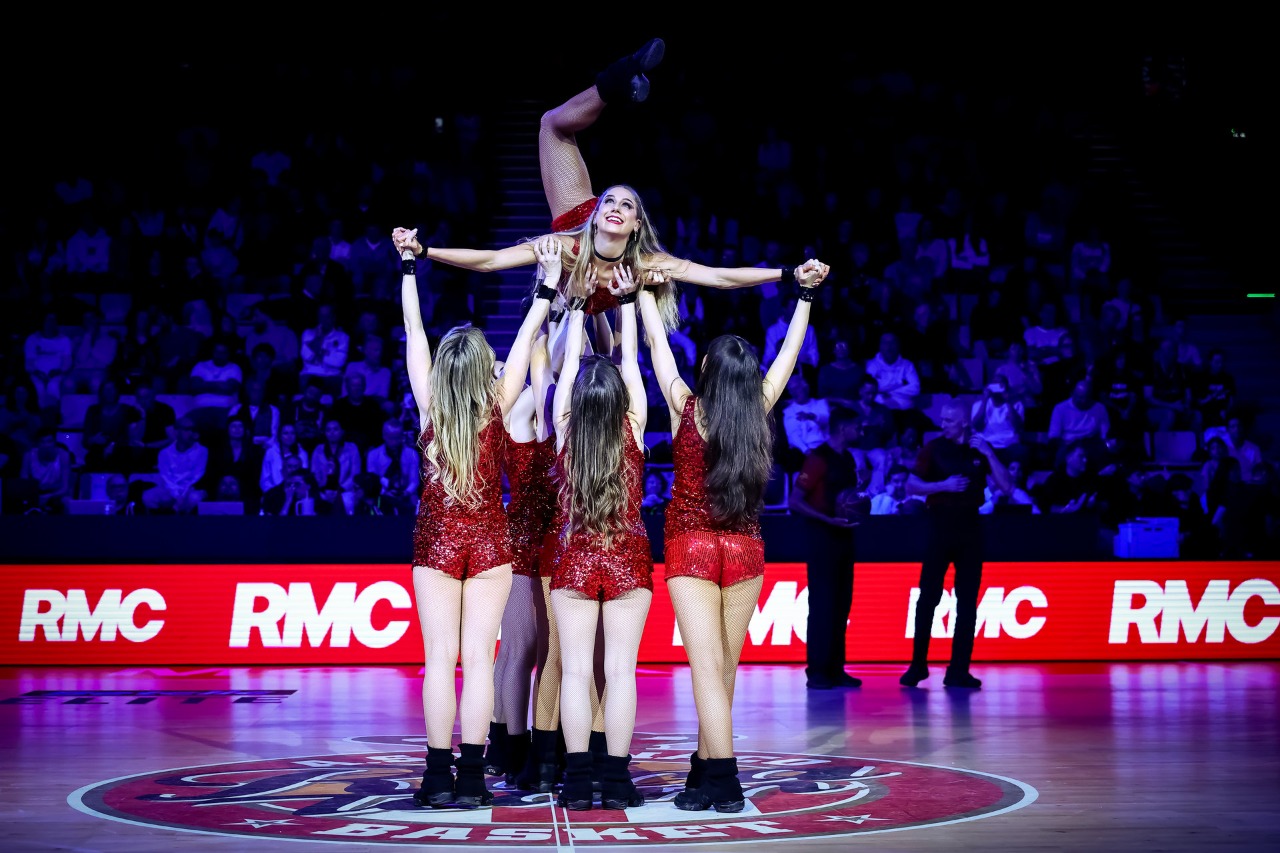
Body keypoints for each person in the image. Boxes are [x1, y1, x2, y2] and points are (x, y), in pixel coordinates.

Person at [640, 258, 828, 812]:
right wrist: (806, 299)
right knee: (723, 670)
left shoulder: (685, 407)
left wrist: (645, 296)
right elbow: (789, 356)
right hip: (745, 549)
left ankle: (724, 778)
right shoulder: (759, 408)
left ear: (705, 369)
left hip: (691, 548)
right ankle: (702, 769)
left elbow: (658, 348)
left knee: (707, 669)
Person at [397, 234, 555, 810]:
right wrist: (547, 285)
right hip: (490, 546)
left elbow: (414, 332)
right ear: (483, 368)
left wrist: (409, 268)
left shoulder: (430, 406)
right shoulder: (497, 402)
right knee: (479, 663)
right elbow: (525, 339)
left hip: (437, 545)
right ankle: (471, 777)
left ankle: (437, 777)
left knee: (439, 661)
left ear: (443, 369)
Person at [542, 264, 650, 811]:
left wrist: (579, 305)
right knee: (621, 672)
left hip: (575, 560)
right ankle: (617, 780)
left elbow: (565, 374)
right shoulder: (635, 425)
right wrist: (627, 303)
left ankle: (578, 781)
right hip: (629, 558)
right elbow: (631, 364)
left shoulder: (565, 427)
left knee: (577, 672)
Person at [484, 297, 557, 787]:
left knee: (533, 654)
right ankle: (509, 745)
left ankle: (512, 745)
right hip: (526, 540)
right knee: (518, 653)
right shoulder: (516, 408)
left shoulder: (538, 406)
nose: (503, 371)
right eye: (496, 370)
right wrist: (547, 324)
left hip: (551, 540)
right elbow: (543, 375)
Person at [901, 401, 1011, 689]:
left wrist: (989, 453)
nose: (943, 425)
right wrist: (943, 485)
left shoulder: (980, 448)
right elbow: (911, 485)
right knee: (928, 597)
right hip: (939, 525)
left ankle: (958, 670)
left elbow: (1007, 486)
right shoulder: (933, 448)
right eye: (943, 419)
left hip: (970, 528)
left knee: (967, 601)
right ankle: (918, 665)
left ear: (963, 422)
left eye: (949, 420)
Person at [788, 405, 863, 691]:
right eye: (857, 427)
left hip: (845, 536)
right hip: (822, 538)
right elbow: (795, 501)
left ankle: (836, 669)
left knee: (842, 605)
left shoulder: (848, 458)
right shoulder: (818, 458)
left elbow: (848, 498)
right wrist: (827, 519)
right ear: (843, 428)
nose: (861, 431)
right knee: (822, 605)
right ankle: (817, 671)